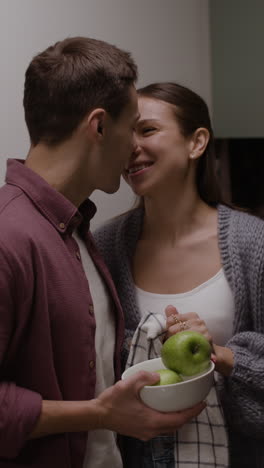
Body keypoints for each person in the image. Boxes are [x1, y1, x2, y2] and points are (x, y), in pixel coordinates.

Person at [0, 45, 205, 467]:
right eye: (132, 128)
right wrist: (100, 415)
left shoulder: (76, 232)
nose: (134, 147)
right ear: (98, 126)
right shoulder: (9, 236)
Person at [94, 82, 264, 467]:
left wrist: (221, 355)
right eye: (127, 133)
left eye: (148, 130)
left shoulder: (254, 244)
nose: (131, 146)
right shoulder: (104, 247)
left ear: (197, 142)